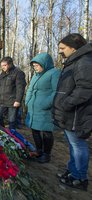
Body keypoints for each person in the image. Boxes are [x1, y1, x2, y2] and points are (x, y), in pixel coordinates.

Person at [53, 33, 92, 191]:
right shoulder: (74, 61)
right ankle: (73, 171)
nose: (60, 51)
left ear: (73, 47)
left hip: (77, 113)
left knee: (78, 145)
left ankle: (80, 177)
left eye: (62, 48)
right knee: (72, 144)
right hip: (70, 113)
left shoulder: (84, 62)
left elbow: (85, 88)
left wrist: (65, 103)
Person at [25, 52, 60, 163]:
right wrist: (28, 101)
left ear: (44, 64)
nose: (35, 68)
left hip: (45, 109)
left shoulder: (54, 73)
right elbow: (30, 89)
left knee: (46, 131)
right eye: (34, 66)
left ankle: (46, 154)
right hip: (33, 108)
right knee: (34, 130)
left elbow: (56, 91)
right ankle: (39, 150)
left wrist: (45, 104)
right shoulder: (36, 75)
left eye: (37, 65)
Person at [0, 56, 26, 130]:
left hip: (12, 101)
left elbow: (20, 88)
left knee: (11, 121)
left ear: (10, 64)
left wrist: (18, 100)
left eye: (5, 65)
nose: (3, 67)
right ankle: (3, 132)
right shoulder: (2, 75)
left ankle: (12, 136)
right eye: (2, 66)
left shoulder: (18, 73)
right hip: (2, 100)